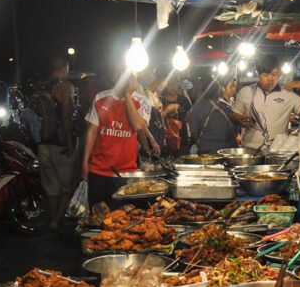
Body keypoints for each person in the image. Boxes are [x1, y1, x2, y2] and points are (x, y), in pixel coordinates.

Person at [80, 69, 151, 210]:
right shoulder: (100, 98)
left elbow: (137, 125)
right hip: (98, 169)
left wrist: (127, 95)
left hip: (125, 172)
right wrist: (85, 161)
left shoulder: (142, 101)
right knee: (97, 216)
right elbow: (92, 132)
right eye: (120, 73)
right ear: (114, 75)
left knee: (122, 218)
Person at [233, 55, 300, 150]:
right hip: (249, 148)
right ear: (258, 74)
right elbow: (235, 114)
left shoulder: (288, 95)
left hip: (276, 151)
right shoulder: (246, 91)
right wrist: (240, 119)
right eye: (266, 75)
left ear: (280, 74)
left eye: (274, 74)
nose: (270, 79)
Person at [35, 56, 76, 229]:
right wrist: (70, 142)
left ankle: (53, 218)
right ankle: (56, 221)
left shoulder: (40, 87)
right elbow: (66, 116)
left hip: (42, 142)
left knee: (51, 187)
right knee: (68, 185)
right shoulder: (66, 87)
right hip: (60, 143)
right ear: (64, 68)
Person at [187, 78, 239, 154]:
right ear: (218, 90)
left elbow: (194, 133)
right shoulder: (228, 107)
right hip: (228, 152)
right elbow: (236, 130)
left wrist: (201, 144)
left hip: (207, 152)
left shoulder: (196, 108)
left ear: (203, 91)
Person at [160, 77, 191, 155]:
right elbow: (157, 118)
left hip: (182, 140)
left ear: (178, 84)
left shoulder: (184, 100)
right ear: (166, 85)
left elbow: (188, 117)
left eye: (175, 83)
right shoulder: (160, 100)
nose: (172, 86)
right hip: (165, 140)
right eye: (170, 84)